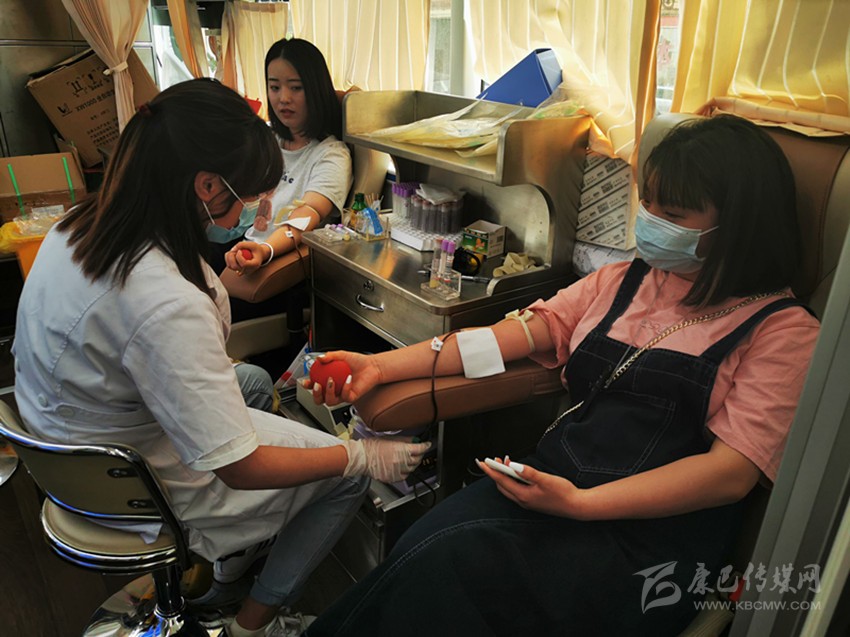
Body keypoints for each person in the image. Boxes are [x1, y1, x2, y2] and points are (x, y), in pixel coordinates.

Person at [302, 115, 821, 636]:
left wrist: (581, 505)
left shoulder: (782, 332)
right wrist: (379, 365)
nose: (650, 222)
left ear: (737, 227)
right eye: (647, 204)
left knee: (451, 567)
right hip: (553, 481)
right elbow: (502, 340)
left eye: (673, 214)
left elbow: (728, 475)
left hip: (644, 542)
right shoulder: (622, 281)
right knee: (422, 546)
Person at [12, 78, 429, 637]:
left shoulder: (77, 228)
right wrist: (358, 455)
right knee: (345, 477)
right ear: (206, 184)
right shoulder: (160, 300)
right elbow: (239, 466)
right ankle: (250, 627)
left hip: (61, 443)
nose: (252, 211)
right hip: (128, 479)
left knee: (252, 380)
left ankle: (230, 567)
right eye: (246, 196)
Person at [210, 38, 353, 324]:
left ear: (315, 89)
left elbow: (308, 214)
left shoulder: (331, 155)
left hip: (272, 263)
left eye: (295, 88)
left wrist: (266, 249)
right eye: (274, 87)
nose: (283, 98)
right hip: (240, 245)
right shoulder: (268, 141)